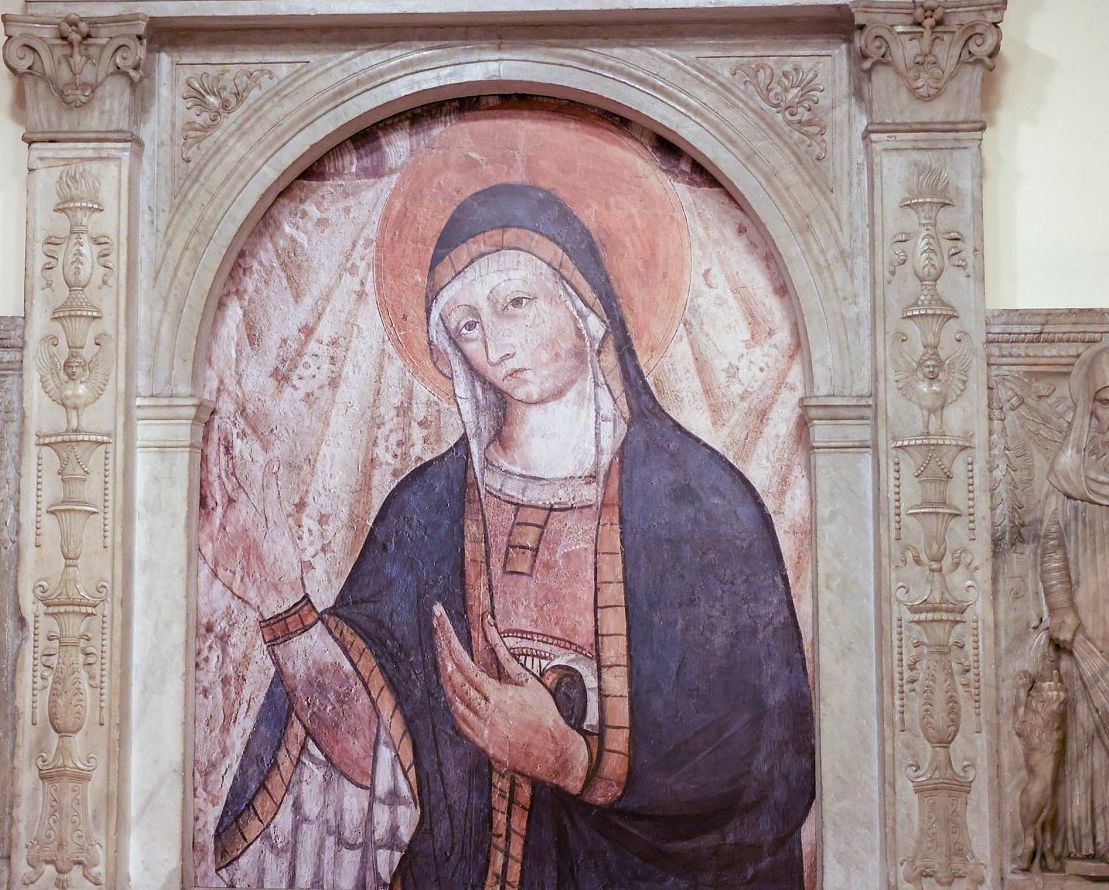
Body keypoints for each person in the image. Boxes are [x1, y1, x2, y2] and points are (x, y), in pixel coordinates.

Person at [213, 184, 814, 887]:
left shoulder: (704, 506)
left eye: (516, 303)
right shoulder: (427, 510)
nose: (496, 346)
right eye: (467, 325)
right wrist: (284, 607)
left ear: (585, 304)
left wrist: (572, 761)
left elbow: (768, 767)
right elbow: (374, 761)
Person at [1042, 339, 1109, 870]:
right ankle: (1090, 842)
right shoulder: (1069, 475)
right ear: (1089, 405)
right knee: (1085, 731)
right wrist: (1062, 609)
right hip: (1087, 626)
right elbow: (1050, 546)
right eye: (1106, 401)